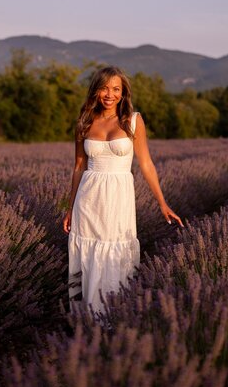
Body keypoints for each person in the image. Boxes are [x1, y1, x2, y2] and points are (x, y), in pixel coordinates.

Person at [63, 66, 183, 314]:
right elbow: (78, 167)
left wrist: (162, 202)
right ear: (96, 90)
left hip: (118, 198)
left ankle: (114, 315)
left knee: (114, 252)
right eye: (105, 88)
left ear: (123, 92)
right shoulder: (84, 122)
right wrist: (69, 208)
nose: (110, 94)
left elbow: (146, 163)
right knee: (89, 255)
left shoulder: (134, 120)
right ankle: (88, 319)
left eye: (116, 89)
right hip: (89, 199)